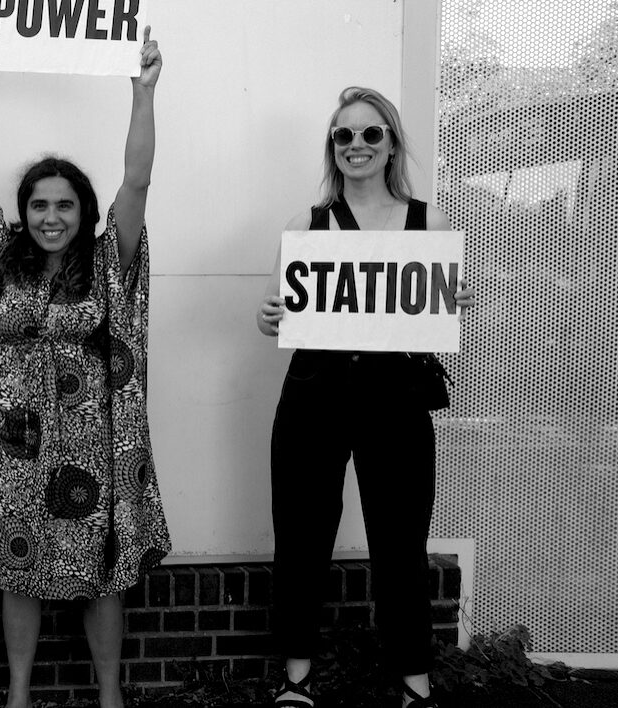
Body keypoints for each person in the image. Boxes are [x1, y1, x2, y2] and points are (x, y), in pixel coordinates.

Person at [0, 29, 171, 708]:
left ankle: (109, 696)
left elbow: (135, 178)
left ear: (83, 212)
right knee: (16, 566)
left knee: (101, 570)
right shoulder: (0, 257)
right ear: (23, 214)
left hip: (94, 440)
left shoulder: (111, 261)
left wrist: (142, 95)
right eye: (38, 205)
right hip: (16, 438)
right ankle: (17, 694)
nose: (50, 216)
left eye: (64, 204)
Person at [255, 87, 476, 708]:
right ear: (333, 146)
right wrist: (269, 314)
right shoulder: (308, 224)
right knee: (301, 534)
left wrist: (456, 301)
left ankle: (415, 680)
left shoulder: (427, 222)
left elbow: (441, 303)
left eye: (369, 134)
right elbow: (274, 313)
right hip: (314, 391)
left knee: (401, 538)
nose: (355, 145)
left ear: (391, 144)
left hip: (395, 396)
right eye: (343, 135)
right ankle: (296, 677)